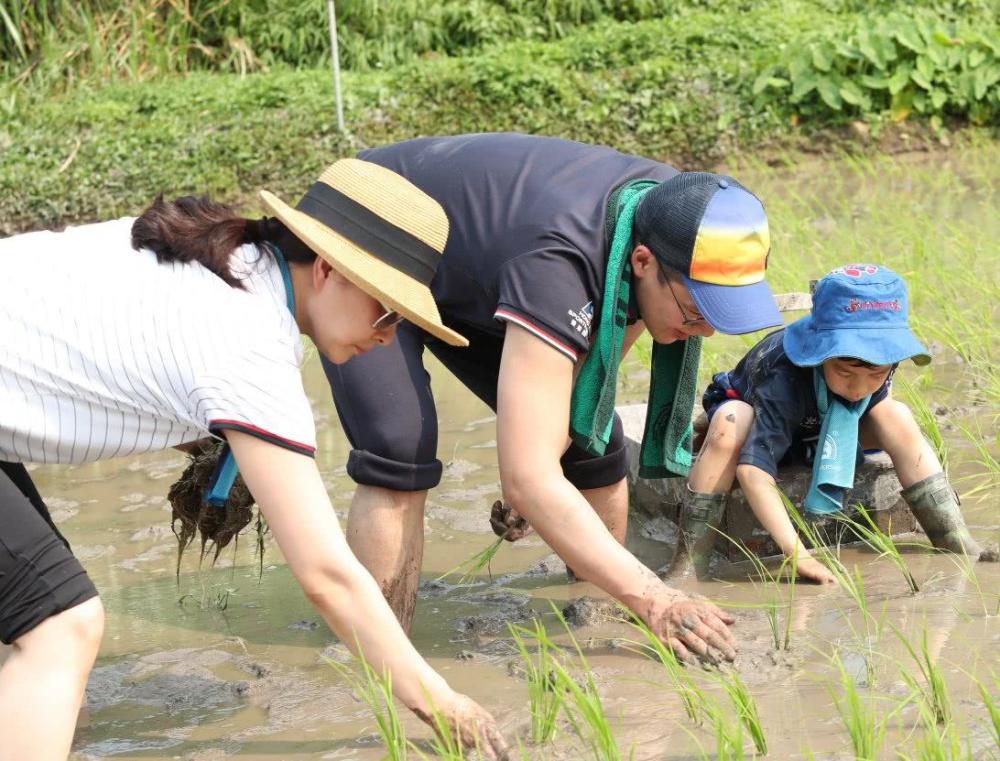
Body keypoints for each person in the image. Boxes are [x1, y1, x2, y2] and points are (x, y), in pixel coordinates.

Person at [0, 159, 509, 761]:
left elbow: (109, 354)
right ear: (327, 269)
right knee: (61, 627)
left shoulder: (226, 260)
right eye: (389, 309)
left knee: (30, 634)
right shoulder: (250, 345)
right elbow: (327, 576)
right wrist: (444, 704)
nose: (388, 334)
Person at [322, 132, 785, 663]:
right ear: (641, 263)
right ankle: (378, 657)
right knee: (398, 445)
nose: (702, 332)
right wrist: (655, 595)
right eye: (695, 312)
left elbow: (589, 379)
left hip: (478, 261)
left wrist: (536, 471)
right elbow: (530, 474)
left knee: (593, 441)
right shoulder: (561, 264)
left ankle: (597, 623)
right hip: (372, 231)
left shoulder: (675, 212)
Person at [674, 264, 996, 585]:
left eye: (875, 375)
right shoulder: (783, 376)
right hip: (760, 420)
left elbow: (873, 394)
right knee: (730, 422)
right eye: (845, 373)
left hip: (822, 426)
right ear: (819, 354)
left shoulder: (881, 366)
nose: (859, 388)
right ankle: (688, 564)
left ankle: (954, 538)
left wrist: (864, 386)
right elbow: (752, 472)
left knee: (896, 415)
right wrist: (799, 555)